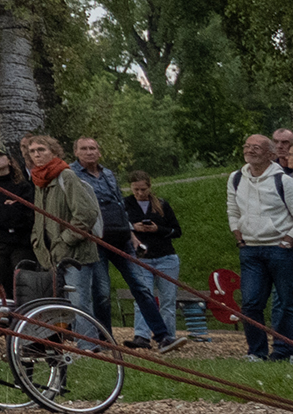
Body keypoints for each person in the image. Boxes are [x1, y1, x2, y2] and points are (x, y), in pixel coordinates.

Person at [22, 131, 107, 333]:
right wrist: (37, 241)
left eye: (41, 150)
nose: (36, 154)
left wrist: (66, 239)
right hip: (51, 254)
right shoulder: (39, 181)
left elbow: (86, 213)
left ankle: (88, 346)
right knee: (61, 304)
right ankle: (70, 344)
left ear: (53, 151)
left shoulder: (65, 176)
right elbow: (39, 217)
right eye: (32, 151)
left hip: (76, 254)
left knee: (79, 302)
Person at [226, 133, 291, 362]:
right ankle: (256, 351)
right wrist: (238, 235)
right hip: (250, 250)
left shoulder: (283, 181)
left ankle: (284, 351)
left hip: (279, 249)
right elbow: (232, 210)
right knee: (251, 303)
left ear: (270, 154)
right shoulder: (236, 178)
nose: (250, 150)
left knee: (286, 303)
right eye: (247, 146)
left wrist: (289, 239)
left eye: (256, 147)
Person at [114, 172, 182, 349]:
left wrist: (157, 229)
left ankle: (168, 335)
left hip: (165, 256)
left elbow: (177, 230)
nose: (139, 193)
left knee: (168, 299)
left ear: (149, 187)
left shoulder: (161, 204)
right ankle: (141, 335)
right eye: (136, 189)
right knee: (143, 296)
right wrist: (133, 227)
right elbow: (118, 226)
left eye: (143, 189)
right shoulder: (125, 204)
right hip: (141, 257)